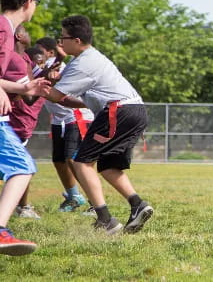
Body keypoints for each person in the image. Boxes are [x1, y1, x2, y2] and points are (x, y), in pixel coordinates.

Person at [45, 15, 153, 235]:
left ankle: (105, 220)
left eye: (62, 38)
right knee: (108, 166)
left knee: (81, 162)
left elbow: (55, 96)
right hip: (133, 110)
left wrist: (36, 87)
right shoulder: (90, 58)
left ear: (76, 40)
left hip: (118, 111)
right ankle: (137, 205)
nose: (60, 43)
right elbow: (75, 100)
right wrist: (56, 88)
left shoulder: (83, 63)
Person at [0, 0, 50, 256]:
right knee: (21, 165)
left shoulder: (5, 28)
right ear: (29, 1)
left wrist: (25, 86)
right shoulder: (4, 28)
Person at [35, 37, 93, 212]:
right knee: (59, 160)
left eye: (40, 51)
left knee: (73, 159)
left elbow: (53, 84)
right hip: (58, 119)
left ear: (51, 53)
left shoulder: (56, 65)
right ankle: (74, 197)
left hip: (75, 116)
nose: (37, 54)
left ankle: (94, 202)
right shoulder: (41, 68)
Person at [4, 25, 47, 219]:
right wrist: (43, 85)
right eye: (27, 32)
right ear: (20, 36)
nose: (31, 36)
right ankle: (22, 208)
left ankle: (22, 207)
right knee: (22, 165)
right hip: (12, 121)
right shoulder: (15, 60)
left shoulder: (26, 59)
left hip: (22, 122)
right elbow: (28, 97)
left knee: (20, 165)